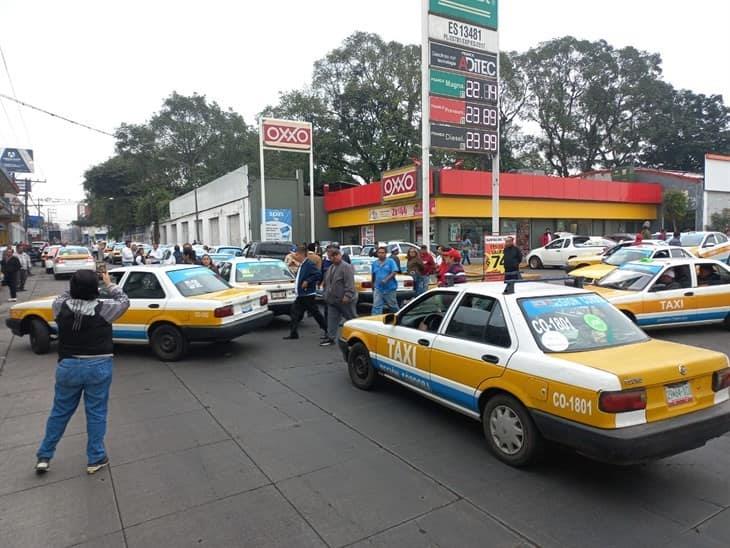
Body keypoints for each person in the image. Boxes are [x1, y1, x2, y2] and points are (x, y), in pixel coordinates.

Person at [34, 269, 130, 475]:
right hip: (98, 365)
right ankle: (95, 457)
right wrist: (108, 283)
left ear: (72, 287)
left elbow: (65, 295)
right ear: (95, 288)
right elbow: (124, 300)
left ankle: (44, 455)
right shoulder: (105, 309)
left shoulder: (59, 306)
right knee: (96, 413)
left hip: (68, 365)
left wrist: (77, 285)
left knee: (59, 412)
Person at [284, 246, 327, 340]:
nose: (295, 256)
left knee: (315, 313)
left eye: (296, 254)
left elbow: (318, 274)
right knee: (294, 313)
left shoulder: (309, 264)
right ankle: (293, 333)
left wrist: (308, 281)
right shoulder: (302, 264)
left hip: (307, 295)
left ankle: (327, 330)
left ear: (301, 254)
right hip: (301, 295)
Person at [321, 248, 357, 346]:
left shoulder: (346, 267)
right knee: (332, 319)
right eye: (329, 257)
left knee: (351, 319)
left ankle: (357, 336)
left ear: (337, 256)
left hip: (344, 300)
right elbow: (328, 282)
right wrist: (325, 293)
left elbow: (350, 283)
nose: (330, 259)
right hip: (332, 299)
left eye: (331, 257)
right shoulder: (331, 267)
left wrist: (347, 295)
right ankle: (331, 338)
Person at [371, 246, 399, 314]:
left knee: (393, 306)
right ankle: (376, 321)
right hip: (378, 288)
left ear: (386, 253)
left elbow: (394, 271)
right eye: (379, 252)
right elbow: (373, 274)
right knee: (376, 306)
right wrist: (373, 284)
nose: (381, 254)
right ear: (377, 253)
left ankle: (398, 317)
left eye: (383, 253)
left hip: (390, 288)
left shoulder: (390, 261)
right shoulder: (374, 263)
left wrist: (386, 279)